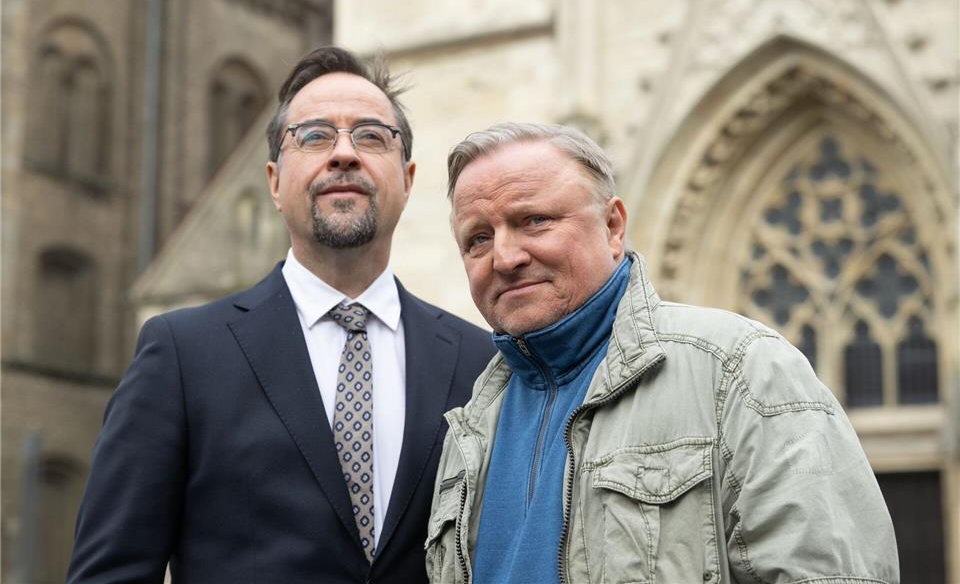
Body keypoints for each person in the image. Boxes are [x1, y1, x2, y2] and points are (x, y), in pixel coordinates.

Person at [68, 46, 494, 584]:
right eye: (315, 136)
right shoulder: (182, 355)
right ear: (273, 181)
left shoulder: (481, 365)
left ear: (407, 179)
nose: (344, 154)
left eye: (370, 136)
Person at [426, 122, 898, 584]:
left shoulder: (741, 371)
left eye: (534, 221)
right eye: (478, 239)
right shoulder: (469, 430)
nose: (505, 257)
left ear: (613, 227)